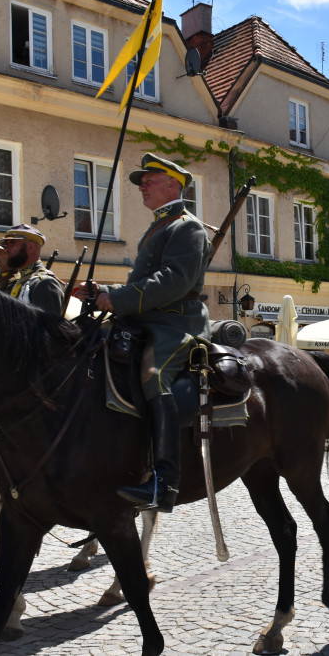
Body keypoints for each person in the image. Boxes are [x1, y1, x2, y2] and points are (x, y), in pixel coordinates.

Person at [77, 153, 211, 513]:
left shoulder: (188, 227)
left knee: (154, 374)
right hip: (147, 318)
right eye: (141, 180)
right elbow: (142, 282)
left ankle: (164, 482)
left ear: (173, 184)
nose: (142, 185)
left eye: (150, 178)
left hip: (176, 323)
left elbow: (173, 282)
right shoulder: (160, 226)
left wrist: (115, 298)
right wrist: (102, 291)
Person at [0, 223, 64, 316]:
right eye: (6, 244)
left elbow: (48, 328)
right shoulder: (24, 279)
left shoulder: (44, 283)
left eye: (12, 243)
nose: (7, 249)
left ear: (30, 246)